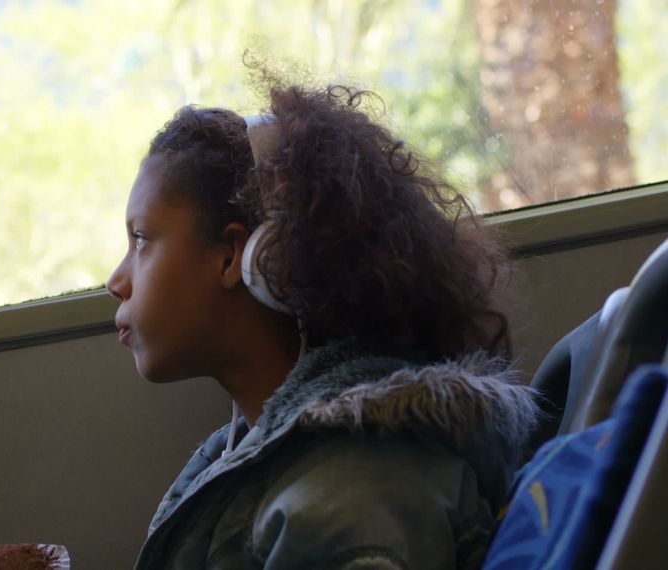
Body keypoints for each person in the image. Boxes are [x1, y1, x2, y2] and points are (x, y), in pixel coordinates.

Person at [105, 81, 539, 569]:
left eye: (141, 238)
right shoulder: (269, 462)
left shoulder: (346, 503)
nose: (116, 281)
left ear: (234, 257)